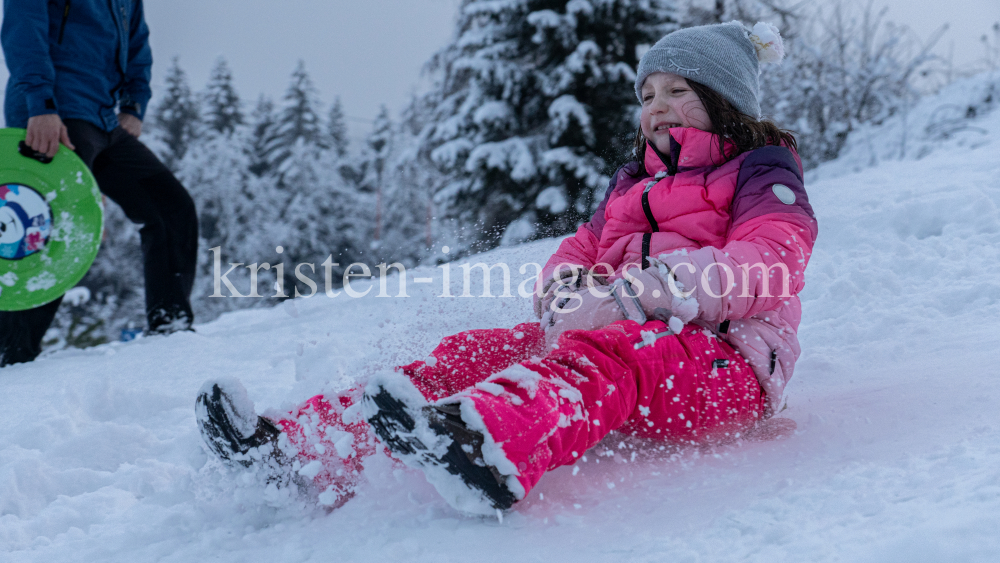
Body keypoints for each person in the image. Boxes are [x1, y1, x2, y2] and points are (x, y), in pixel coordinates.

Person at [196, 21, 817, 515]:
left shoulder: (762, 171)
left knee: (629, 350)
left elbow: (769, 263)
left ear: (725, 99)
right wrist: (565, 290)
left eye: (679, 89)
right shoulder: (632, 183)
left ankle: (491, 449)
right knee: (479, 350)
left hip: (725, 366)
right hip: (608, 331)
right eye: (648, 94)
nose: (658, 106)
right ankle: (300, 452)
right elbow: (581, 246)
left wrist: (637, 296)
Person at [0, 0, 198, 367]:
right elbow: (22, 25)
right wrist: (38, 104)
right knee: (41, 230)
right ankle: (10, 353)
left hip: (104, 120)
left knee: (169, 208)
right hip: (55, 114)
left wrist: (134, 104)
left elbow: (136, 41)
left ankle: (170, 324)